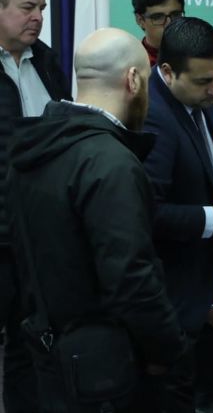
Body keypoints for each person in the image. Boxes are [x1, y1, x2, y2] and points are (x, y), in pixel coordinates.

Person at [7, 28, 186, 411]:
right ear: (134, 80)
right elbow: (130, 279)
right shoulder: (111, 163)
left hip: (46, 352)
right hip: (104, 370)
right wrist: (168, 349)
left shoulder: (34, 145)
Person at [143, 16, 213, 409]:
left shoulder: (198, 99)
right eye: (205, 81)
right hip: (171, 300)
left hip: (202, 297)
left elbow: (209, 173)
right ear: (168, 71)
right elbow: (146, 214)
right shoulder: (152, 114)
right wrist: (212, 218)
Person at [0, 0, 71, 412]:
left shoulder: (45, 60)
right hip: (1, 230)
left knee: (34, 337)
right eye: (27, 7)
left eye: (42, 8)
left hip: (42, 230)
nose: (38, 17)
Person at [132, 0, 213, 142]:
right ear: (140, 20)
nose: (169, 24)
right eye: (158, 17)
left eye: (175, 15)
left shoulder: (203, 63)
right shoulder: (131, 66)